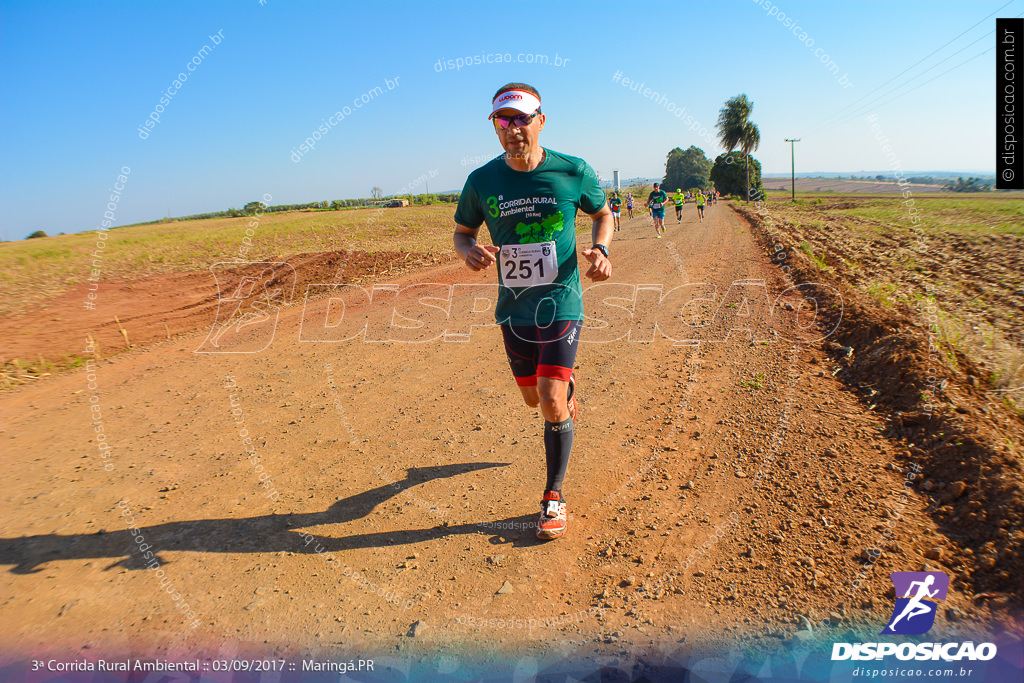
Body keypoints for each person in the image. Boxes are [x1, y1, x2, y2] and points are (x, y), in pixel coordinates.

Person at [453, 82, 614, 541]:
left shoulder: (572, 170)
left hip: (562, 301)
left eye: (521, 119)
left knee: (549, 398)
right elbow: (463, 232)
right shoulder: (482, 180)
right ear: (495, 128)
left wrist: (601, 249)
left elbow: (603, 213)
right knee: (533, 399)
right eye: (503, 121)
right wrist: (468, 251)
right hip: (514, 310)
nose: (513, 129)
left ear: (540, 120)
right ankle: (565, 387)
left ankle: (553, 498)